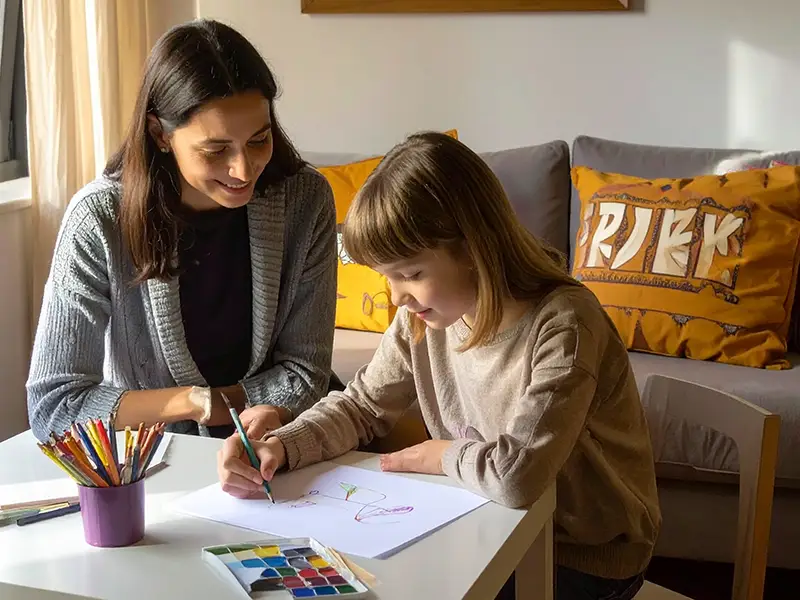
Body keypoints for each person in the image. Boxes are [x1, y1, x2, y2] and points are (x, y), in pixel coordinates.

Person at [217, 131, 662, 600]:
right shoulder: (423, 318)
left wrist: (441, 454)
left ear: (474, 249)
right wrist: (281, 447)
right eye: (387, 278)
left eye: (410, 274)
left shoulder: (565, 325)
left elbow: (517, 477)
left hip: (583, 557)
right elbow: (363, 406)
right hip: (486, 523)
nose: (396, 296)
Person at [26, 19, 339, 442]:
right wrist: (199, 403)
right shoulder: (97, 220)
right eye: (216, 150)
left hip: (279, 439)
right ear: (160, 134)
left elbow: (306, 373)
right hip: (156, 452)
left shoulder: (305, 200)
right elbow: (55, 405)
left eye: (259, 140)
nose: (243, 170)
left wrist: (249, 414)